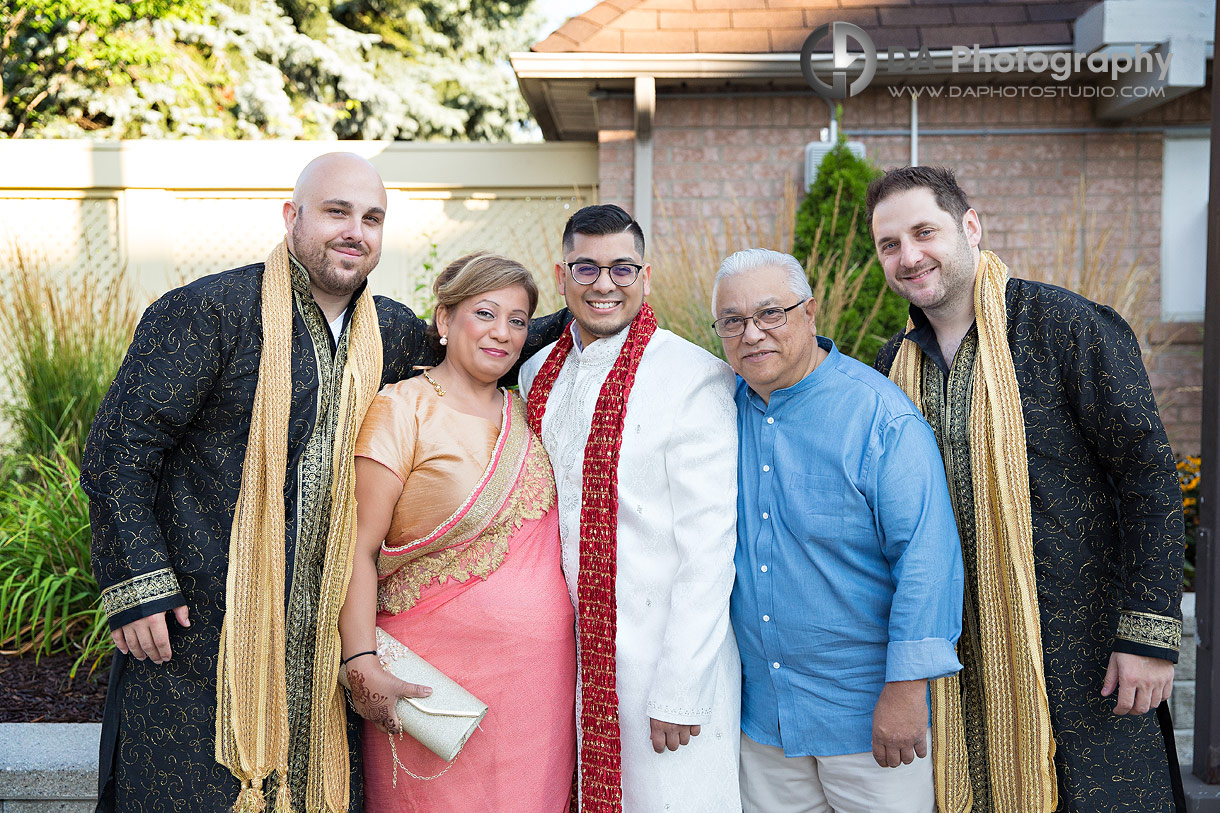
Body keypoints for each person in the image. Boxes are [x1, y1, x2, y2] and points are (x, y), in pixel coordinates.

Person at [82, 152, 568, 813]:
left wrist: (591, 308)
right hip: (201, 633)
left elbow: (492, 336)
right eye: (337, 212)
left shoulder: (391, 332)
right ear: (293, 217)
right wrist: (138, 585)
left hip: (318, 644)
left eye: (371, 218)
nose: (355, 231)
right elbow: (120, 449)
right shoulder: (208, 313)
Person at [868, 165, 1185, 812]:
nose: (909, 256)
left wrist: (1149, 635)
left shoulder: (1065, 328)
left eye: (924, 231)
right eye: (889, 244)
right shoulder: (888, 367)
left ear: (971, 226)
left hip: (1088, 657)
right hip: (962, 669)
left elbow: (1146, 473)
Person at [710, 248, 964, 813]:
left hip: (867, 721)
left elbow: (926, 561)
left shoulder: (880, 417)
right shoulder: (718, 412)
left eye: (771, 313)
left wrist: (904, 695)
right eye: (733, 321)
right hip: (764, 719)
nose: (752, 334)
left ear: (810, 312)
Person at [519, 204, 742, 811]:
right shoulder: (538, 371)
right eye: (586, 267)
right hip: (569, 658)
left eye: (622, 267)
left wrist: (679, 688)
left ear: (645, 275)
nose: (604, 284)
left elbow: (710, 546)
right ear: (562, 275)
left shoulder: (695, 377)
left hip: (662, 662)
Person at [338, 252, 577, 812]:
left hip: (537, 685)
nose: (503, 333)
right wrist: (360, 660)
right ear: (444, 321)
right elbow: (356, 548)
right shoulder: (401, 410)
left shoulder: (531, 413)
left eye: (518, 321)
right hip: (431, 689)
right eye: (486, 313)